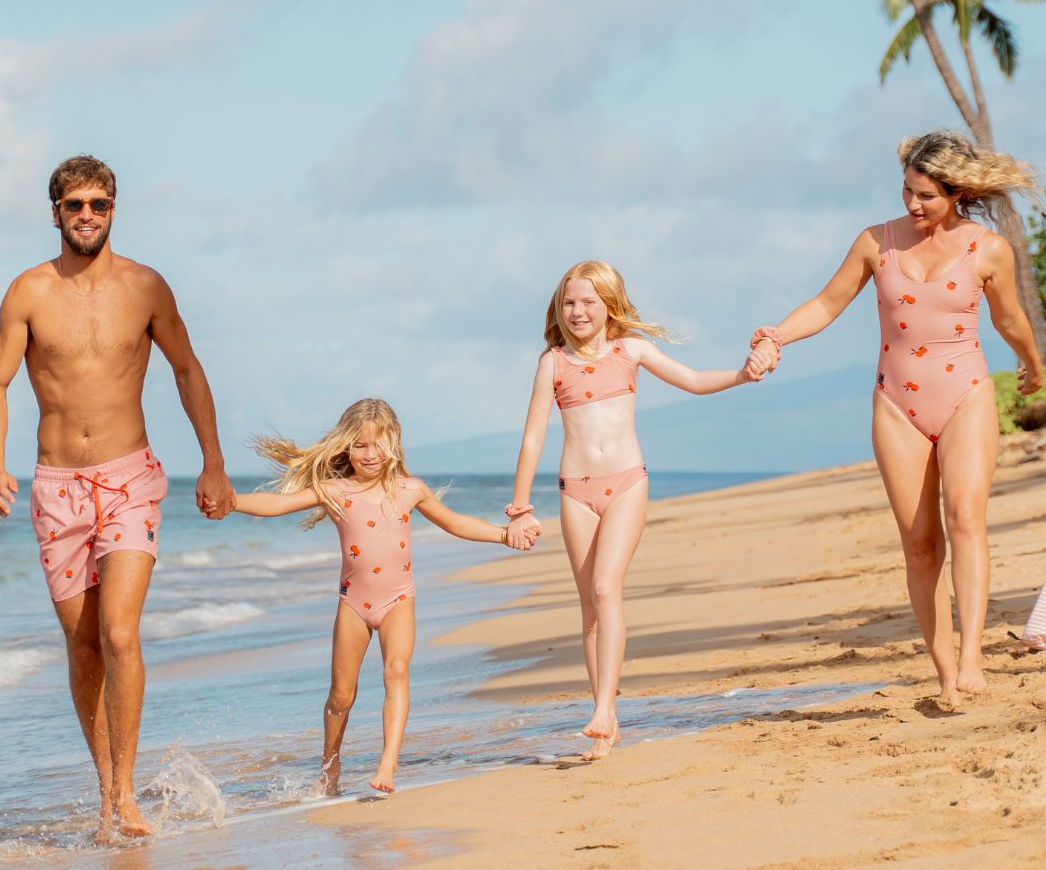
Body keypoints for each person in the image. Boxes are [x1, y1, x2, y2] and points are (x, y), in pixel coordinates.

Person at [0, 155, 236, 842]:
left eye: (98, 204)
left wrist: (213, 462)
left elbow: (187, 368)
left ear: (114, 209)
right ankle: (107, 791)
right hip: (56, 487)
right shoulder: (27, 292)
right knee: (84, 644)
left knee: (120, 631)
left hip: (129, 479)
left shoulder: (146, 287)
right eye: (74, 205)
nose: (86, 215)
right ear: (55, 213)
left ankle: (124, 797)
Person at [750, 131, 1043, 701]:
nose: (913, 203)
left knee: (965, 520)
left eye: (927, 195)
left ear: (956, 193)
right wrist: (777, 335)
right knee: (920, 543)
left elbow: (1008, 320)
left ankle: (972, 658)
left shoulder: (988, 249)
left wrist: (1032, 364)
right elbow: (827, 303)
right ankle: (944, 671)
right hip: (896, 403)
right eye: (908, 190)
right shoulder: (875, 242)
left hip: (967, 395)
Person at [503, 261, 765, 760]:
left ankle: (601, 711)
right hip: (575, 491)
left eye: (588, 302)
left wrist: (740, 375)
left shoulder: (631, 351)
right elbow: (533, 434)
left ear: (609, 306)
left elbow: (690, 379)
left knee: (606, 587)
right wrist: (520, 507)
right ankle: (607, 719)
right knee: (590, 610)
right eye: (570, 302)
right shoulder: (552, 363)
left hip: (627, 483)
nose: (578, 311)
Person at [232, 397, 538, 796]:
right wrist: (230, 501)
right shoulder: (334, 490)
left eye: (379, 444)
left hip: (398, 601)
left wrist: (503, 534)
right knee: (341, 696)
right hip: (353, 606)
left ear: (394, 443)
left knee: (396, 671)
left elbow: (456, 523)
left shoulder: (410, 490)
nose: (371, 454)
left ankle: (387, 765)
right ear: (345, 447)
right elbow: (277, 503)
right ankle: (330, 767)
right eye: (360, 445)